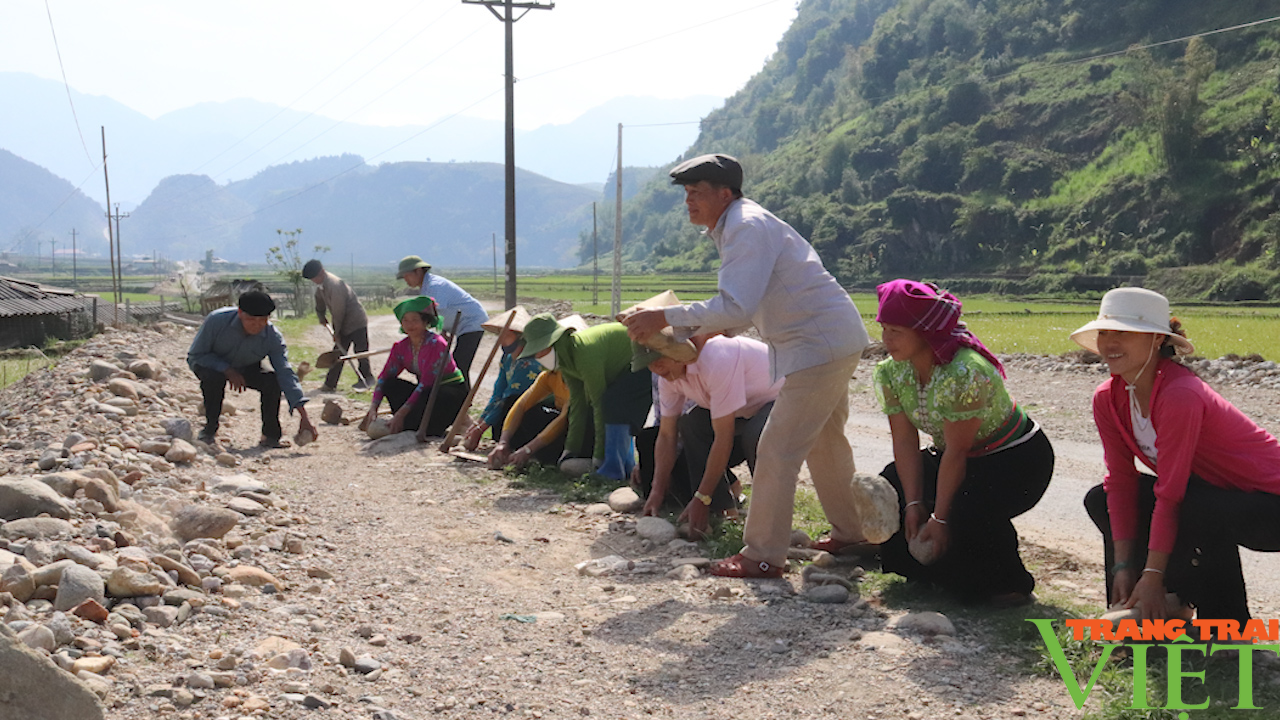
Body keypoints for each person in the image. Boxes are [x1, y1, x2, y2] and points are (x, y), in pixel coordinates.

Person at [621, 153, 873, 578]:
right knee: (825, 442)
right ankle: (852, 535)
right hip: (826, 338)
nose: (689, 202)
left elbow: (737, 304)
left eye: (697, 193)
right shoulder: (738, 225)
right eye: (686, 193)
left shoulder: (745, 226)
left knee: (777, 447)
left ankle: (762, 554)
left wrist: (664, 317)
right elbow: (741, 309)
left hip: (817, 343)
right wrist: (697, 334)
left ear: (726, 194)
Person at [1075, 287, 1280, 630]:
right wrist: (1123, 568)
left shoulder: (1180, 394)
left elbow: (1171, 493)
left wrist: (1152, 574)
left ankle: (1227, 627)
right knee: (1102, 498)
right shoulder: (1107, 399)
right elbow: (1121, 481)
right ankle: (1156, 604)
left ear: (1157, 340)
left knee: (1191, 506)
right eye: (1105, 332)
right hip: (1217, 495)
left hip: (1270, 504)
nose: (1110, 343)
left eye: (1123, 333)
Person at [873, 280, 1053, 605]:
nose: (886, 340)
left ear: (924, 332)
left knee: (963, 502)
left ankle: (1008, 584)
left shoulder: (966, 372)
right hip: (957, 457)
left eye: (896, 331)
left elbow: (956, 453)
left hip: (1015, 459)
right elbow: (904, 440)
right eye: (883, 329)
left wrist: (939, 519)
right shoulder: (891, 372)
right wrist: (913, 504)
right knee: (893, 481)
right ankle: (924, 569)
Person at [636, 334, 784, 539]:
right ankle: (721, 508)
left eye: (659, 361)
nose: (656, 369)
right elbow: (667, 434)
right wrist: (657, 490)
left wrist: (701, 496)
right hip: (742, 406)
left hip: (778, 396)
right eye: (649, 365)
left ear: (677, 353)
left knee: (756, 437)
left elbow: (724, 436)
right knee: (691, 425)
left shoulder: (716, 360)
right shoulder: (668, 376)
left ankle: (770, 519)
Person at [518, 314, 645, 478]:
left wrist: (598, 457)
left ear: (554, 343)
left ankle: (612, 470)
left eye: (540, 351)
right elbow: (577, 404)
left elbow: (598, 402)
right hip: (617, 368)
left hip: (640, 361)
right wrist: (570, 450)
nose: (538, 357)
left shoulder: (584, 353)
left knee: (611, 405)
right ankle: (625, 467)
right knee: (603, 405)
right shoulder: (566, 361)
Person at [187, 290, 317, 448]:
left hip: (247, 365)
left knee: (273, 380)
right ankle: (209, 430)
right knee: (213, 379)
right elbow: (197, 354)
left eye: (262, 320)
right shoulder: (217, 321)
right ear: (240, 313)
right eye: (251, 319)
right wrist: (227, 369)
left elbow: (286, 374)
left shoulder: (272, 337)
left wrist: (304, 416)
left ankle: (270, 435)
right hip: (211, 364)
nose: (256, 325)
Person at [361, 296, 468, 437]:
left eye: (415, 320)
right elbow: (384, 377)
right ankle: (406, 422)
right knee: (390, 384)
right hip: (426, 392)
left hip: (448, 392)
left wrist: (400, 414)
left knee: (423, 414)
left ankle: (417, 422)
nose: (410, 325)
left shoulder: (436, 344)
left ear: (425, 322)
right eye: (405, 320)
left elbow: (426, 383)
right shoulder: (401, 347)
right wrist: (374, 407)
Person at [396, 255, 487, 385]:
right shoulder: (426, 288)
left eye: (407, 275)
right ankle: (462, 399)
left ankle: (462, 400)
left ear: (418, 271)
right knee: (457, 364)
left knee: (459, 364)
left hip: (472, 322)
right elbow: (440, 313)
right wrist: (443, 329)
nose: (405, 280)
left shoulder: (434, 286)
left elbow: (433, 311)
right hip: (463, 325)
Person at [461, 306, 543, 451]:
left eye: (505, 335)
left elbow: (508, 396)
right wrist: (479, 423)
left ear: (520, 337)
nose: (500, 340)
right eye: (499, 334)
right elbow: (498, 392)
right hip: (509, 407)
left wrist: (481, 429)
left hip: (529, 411)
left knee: (511, 401)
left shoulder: (527, 363)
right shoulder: (507, 358)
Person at [303, 259, 375, 392]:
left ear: (322, 272)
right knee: (338, 355)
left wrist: (337, 333)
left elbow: (338, 312)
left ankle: (366, 379)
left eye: (315, 278)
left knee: (361, 353)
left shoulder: (334, 285)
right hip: (343, 323)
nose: (314, 281)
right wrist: (321, 316)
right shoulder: (321, 285)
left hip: (356, 321)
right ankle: (330, 384)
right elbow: (319, 300)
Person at [486, 367, 571, 469]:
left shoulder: (576, 379)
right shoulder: (549, 376)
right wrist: (503, 442)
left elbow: (563, 419)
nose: (538, 355)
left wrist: (528, 449)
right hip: (555, 421)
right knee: (513, 403)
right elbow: (521, 405)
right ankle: (514, 451)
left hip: (574, 429)